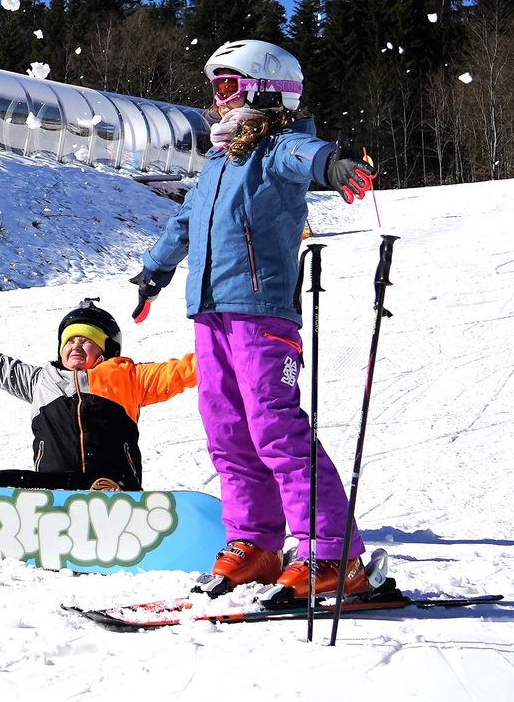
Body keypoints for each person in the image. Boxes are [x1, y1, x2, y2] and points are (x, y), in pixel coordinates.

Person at [128, 38, 379, 600]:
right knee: (227, 432)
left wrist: (334, 165)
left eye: (227, 86)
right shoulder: (218, 161)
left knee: (276, 429)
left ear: (264, 90)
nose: (217, 101)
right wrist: (154, 272)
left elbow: (306, 156)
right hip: (210, 312)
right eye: (213, 87)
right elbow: (186, 223)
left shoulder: (277, 147)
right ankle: (257, 545)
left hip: (262, 311)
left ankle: (333, 553)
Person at [0, 298, 198, 492]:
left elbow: (183, 371)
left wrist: (230, 351)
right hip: (53, 489)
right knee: (1, 481)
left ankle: (111, 504)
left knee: (107, 485)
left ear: (106, 350)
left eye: (87, 340)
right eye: (70, 340)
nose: (76, 345)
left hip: (113, 485)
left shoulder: (129, 378)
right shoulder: (41, 381)